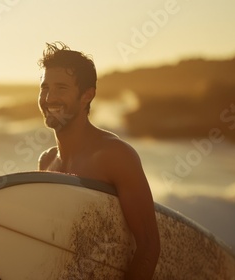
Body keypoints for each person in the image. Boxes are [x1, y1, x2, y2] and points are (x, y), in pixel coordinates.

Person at [37, 42, 160, 280]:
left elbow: (148, 245)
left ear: (87, 96)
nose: (49, 97)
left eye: (61, 88)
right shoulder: (47, 162)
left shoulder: (115, 156)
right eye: (44, 88)